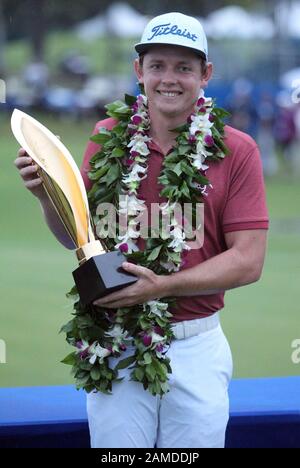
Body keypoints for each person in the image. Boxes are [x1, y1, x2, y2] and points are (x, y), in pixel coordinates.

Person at [14, 12, 269, 449]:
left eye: (184, 67)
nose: (169, 79)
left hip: (196, 345)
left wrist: (161, 287)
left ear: (205, 74)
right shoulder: (107, 135)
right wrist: (46, 195)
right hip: (116, 340)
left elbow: (249, 260)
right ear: (139, 71)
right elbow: (78, 240)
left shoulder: (237, 149)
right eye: (157, 66)